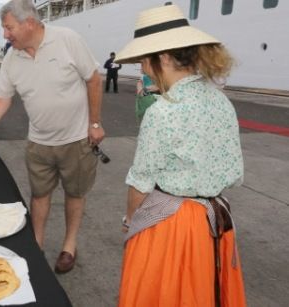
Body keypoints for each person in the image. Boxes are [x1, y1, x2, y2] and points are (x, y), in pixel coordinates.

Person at [0, 0, 104, 274]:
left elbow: (94, 79)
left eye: (9, 27)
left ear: (29, 23)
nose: (5, 34)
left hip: (76, 140)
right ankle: (36, 244)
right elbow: (2, 100)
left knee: (75, 193)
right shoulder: (12, 58)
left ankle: (69, 246)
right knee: (39, 195)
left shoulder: (67, 40)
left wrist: (95, 123)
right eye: (3, 28)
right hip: (38, 142)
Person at [114, 4, 246, 306]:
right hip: (215, 222)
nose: (143, 69)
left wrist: (131, 221)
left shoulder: (162, 111)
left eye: (144, 62)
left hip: (173, 228)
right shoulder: (221, 101)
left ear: (163, 58)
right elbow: (234, 172)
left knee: (165, 294)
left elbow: (140, 184)